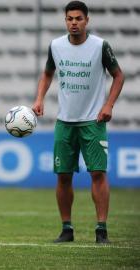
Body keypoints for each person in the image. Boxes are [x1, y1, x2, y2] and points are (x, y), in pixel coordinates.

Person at [32, 1, 124, 244]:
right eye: (70, 19)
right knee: (63, 176)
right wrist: (39, 98)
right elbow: (47, 73)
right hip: (65, 122)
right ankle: (67, 229)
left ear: (87, 21)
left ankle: (101, 230)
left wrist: (108, 105)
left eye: (78, 18)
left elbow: (118, 75)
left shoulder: (100, 46)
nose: (74, 23)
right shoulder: (56, 46)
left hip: (93, 121)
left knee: (98, 173)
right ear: (65, 21)